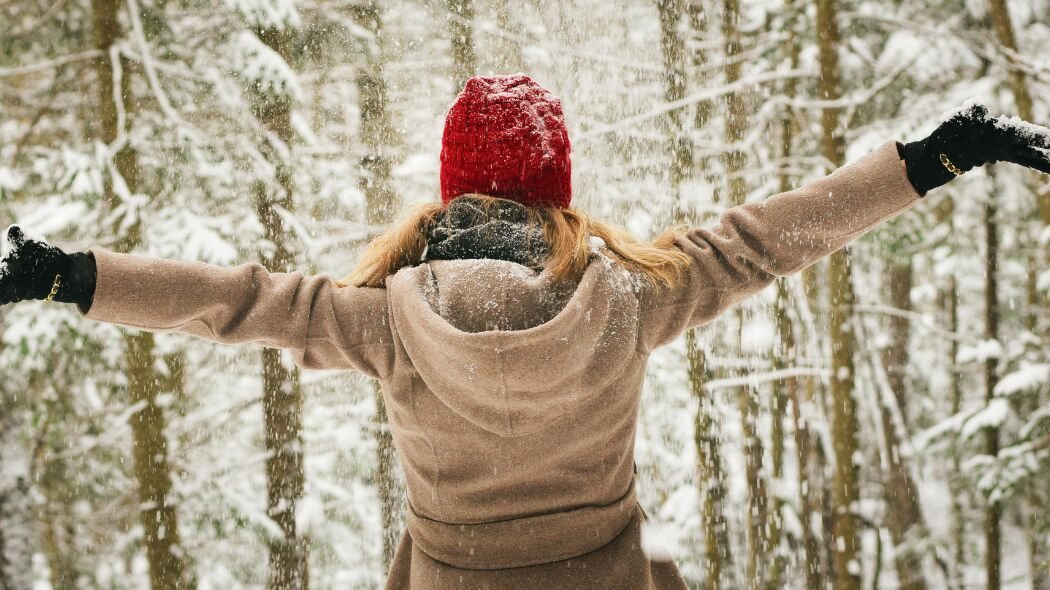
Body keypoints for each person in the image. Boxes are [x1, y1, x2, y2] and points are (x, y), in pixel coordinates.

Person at [1, 74, 1048, 589]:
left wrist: (68, 275)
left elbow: (232, 300)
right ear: (558, 196)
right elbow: (770, 237)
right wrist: (934, 155)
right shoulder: (635, 296)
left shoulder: (385, 323)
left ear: (450, 195)